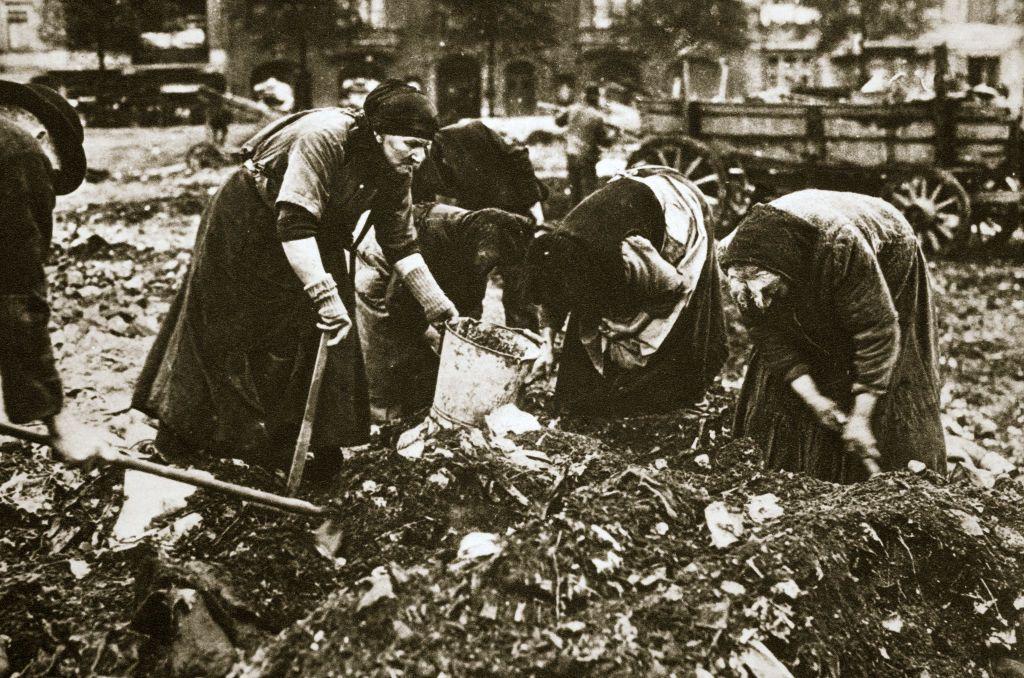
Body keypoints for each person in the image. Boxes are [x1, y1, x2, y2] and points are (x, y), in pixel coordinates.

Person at [133, 80, 458, 471]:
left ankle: (305, 442)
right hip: (250, 217)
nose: (419, 157)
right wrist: (324, 295)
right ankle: (180, 437)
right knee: (228, 327)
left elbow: (401, 244)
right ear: (377, 133)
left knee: (322, 332)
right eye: (411, 145)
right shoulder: (325, 137)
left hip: (312, 231)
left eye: (425, 147)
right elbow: (294, 224)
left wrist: (436, 305)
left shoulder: (396, 166)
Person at [720, 190, 946, 483]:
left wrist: (861, 418)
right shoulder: (732, 257)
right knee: (783, 381)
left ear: (786, 271)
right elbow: (768, 335)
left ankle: (901, 477)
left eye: (770, 291)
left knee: (893, 372)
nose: (763, 302)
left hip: (889, 251)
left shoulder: (840, 246)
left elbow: (877, 331)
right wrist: (814, 399)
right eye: (753, 295)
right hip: (810, 261)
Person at [524, 166, 727, 415]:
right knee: (586, 342)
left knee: (679, 322)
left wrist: (632, 327)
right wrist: (547, 347)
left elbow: (673, 288)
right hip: (624, 206)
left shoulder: (625, 251)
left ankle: (685, 400)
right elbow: (552, 298)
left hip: (678, 206)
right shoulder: (558, 251)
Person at [355, 203, 535, 422]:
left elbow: (470, 302)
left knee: (430, 352)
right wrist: (430, 334)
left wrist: (460, 339)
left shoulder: (481, 244)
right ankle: (382, 419)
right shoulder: (437, 235)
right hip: (383, 254)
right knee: (385, 339)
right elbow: (397, 301)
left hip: (419, 262)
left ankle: (417, 407)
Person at [0, 80, 99, 465]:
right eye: (49, 175)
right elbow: (14, 290)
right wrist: (59, 422)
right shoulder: (17, 150)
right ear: (41, 138)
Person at [411, 118, 548, 330]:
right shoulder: (413, 165)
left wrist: (534, 207)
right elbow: (421, 206)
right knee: (468, 283)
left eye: (421, 144)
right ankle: (466, 337)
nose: (416, 153)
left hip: (512, 209)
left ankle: (526, 343)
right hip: (474, 215)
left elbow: (518, 155)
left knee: (520, 289)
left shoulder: (468, 131)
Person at [556, 83, 612, 207]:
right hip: (586, 157)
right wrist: (613, 136)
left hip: (571, 154)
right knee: (589, 190)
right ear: (596, 98)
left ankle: (572, 216)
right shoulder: (597, 117)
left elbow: (558, 122)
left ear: (584, 96)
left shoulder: (572, 109)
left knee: (574, 189)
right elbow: (604, 142)